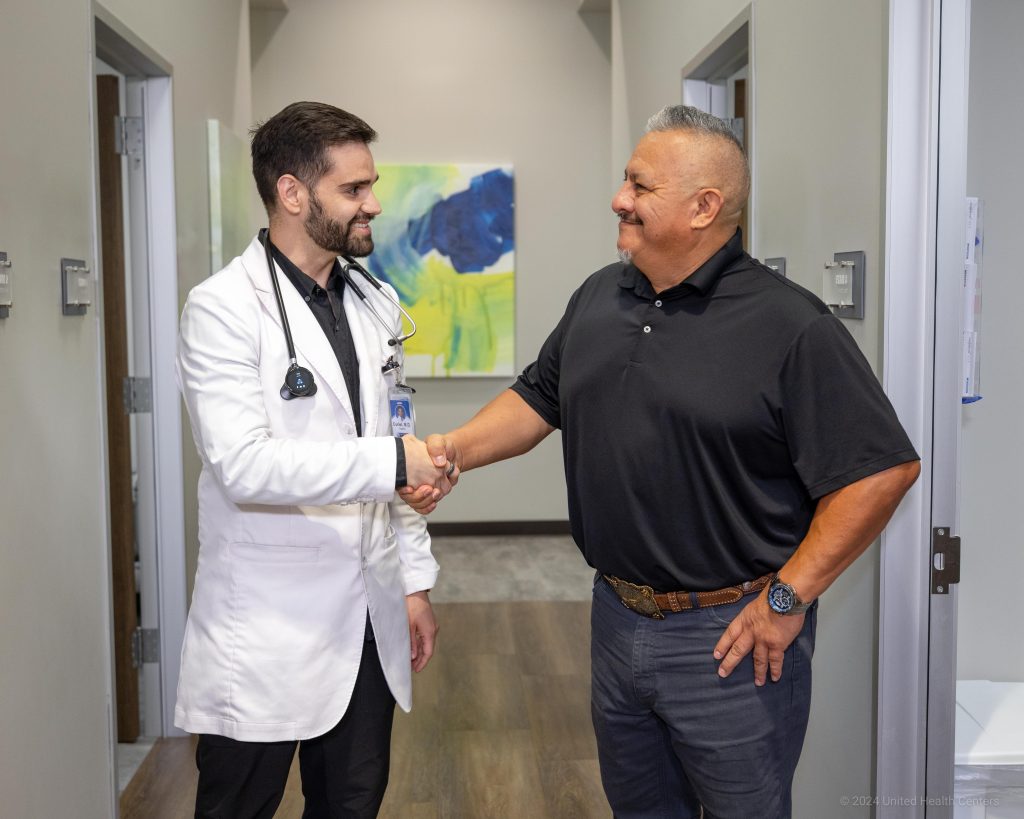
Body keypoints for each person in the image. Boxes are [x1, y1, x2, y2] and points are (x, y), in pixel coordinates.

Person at [402, 105, 920, 818]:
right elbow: (539, 397)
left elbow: (881, 470)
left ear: (704, 207)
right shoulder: (600, 294)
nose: (619, 199)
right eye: (626, 180)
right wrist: (451, 451)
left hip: (730, 639)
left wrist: (786, 599)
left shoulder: (791, 325)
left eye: (640, 186)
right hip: (616, 617)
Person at [175, 101, 451, 819]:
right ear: (293, 193)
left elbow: (393, 438)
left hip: (368, 620)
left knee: (352, 804)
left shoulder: (374, 301)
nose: (373, 203)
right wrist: (394, 462)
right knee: (239, 806)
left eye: (371, 185)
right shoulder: (222, 309)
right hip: (268, 627)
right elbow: (245, 465)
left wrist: (414, 582)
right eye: (354, 189)